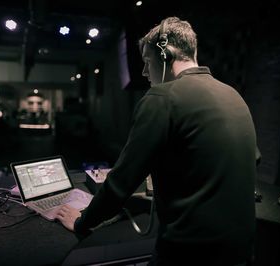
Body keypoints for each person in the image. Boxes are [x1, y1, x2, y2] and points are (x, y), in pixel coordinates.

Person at [55, 16, 260, 265]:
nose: (144, 72)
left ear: (165, 57)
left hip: (189, 252)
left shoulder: (161, 98)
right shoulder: (233, 94)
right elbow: (250, 159)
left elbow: (121, 182)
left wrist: (81, 221)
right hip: (242, 248)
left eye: (147, 61)